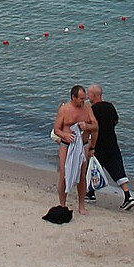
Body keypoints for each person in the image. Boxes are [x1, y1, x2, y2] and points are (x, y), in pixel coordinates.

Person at [86, 84, 134, 210]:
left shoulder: (93, 110)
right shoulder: (110, 106)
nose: (88, 96)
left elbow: (93, 128)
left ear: (95, 95)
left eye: (89, 94)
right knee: (118, 170)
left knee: (93, 168)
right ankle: (128, 196)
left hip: (99, 144)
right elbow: (115, 121)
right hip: (112, 142)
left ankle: (91, 193)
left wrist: (91, 145)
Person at [54, 84, 97, 215]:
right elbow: (56, 129)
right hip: (67, 145)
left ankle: (81, 205)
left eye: (84, 99)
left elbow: (95, 126)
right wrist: (65, 135)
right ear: (73, 97)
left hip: (82, 144)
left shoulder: (87, 108)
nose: (83, 101)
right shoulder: (64, 109)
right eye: (81, 99)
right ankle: (62, 204)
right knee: (64, 174)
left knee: (82, 176)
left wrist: (87, 126)